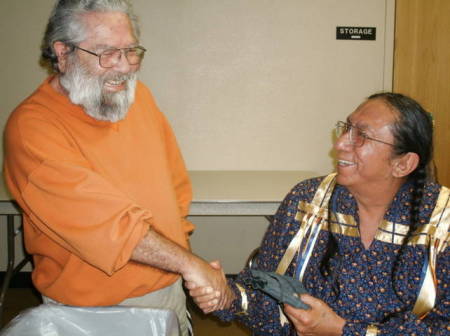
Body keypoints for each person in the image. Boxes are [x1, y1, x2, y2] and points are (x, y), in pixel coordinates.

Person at [3, 1, 230, 335]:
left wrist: (187, 268)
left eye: (131, 50)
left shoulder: (139, 99)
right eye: (107, 53)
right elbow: (104, 227)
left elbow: (173, 191)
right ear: (63, 53)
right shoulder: (33, 127)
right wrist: (189, 264)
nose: (124, 67)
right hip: (93, 312)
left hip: (167, 290)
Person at [187, 93, 450, 335]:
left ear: (403, 163)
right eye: (347, 127)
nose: (340, 143)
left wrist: (342, 330)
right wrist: (227, 295)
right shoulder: (308, 200)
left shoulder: (442, 223)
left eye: (362, 136)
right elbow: (265, 292)